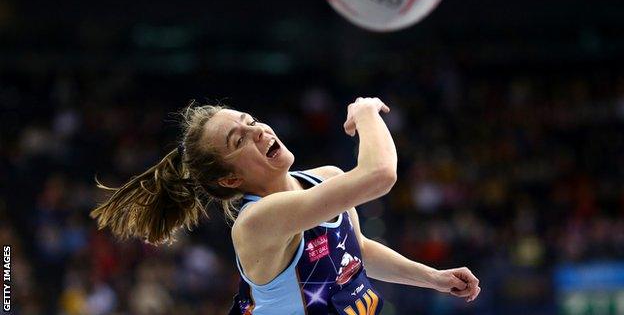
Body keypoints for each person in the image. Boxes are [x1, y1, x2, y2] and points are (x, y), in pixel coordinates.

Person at [90, 97, 481, 315]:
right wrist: (365, 114)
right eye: (238, 140)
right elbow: (381, 174)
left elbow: (355, 251)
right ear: (230, 180)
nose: (257, 130)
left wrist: (432, 277)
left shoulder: (325, 178)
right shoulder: (257, 222)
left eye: (249, 119)